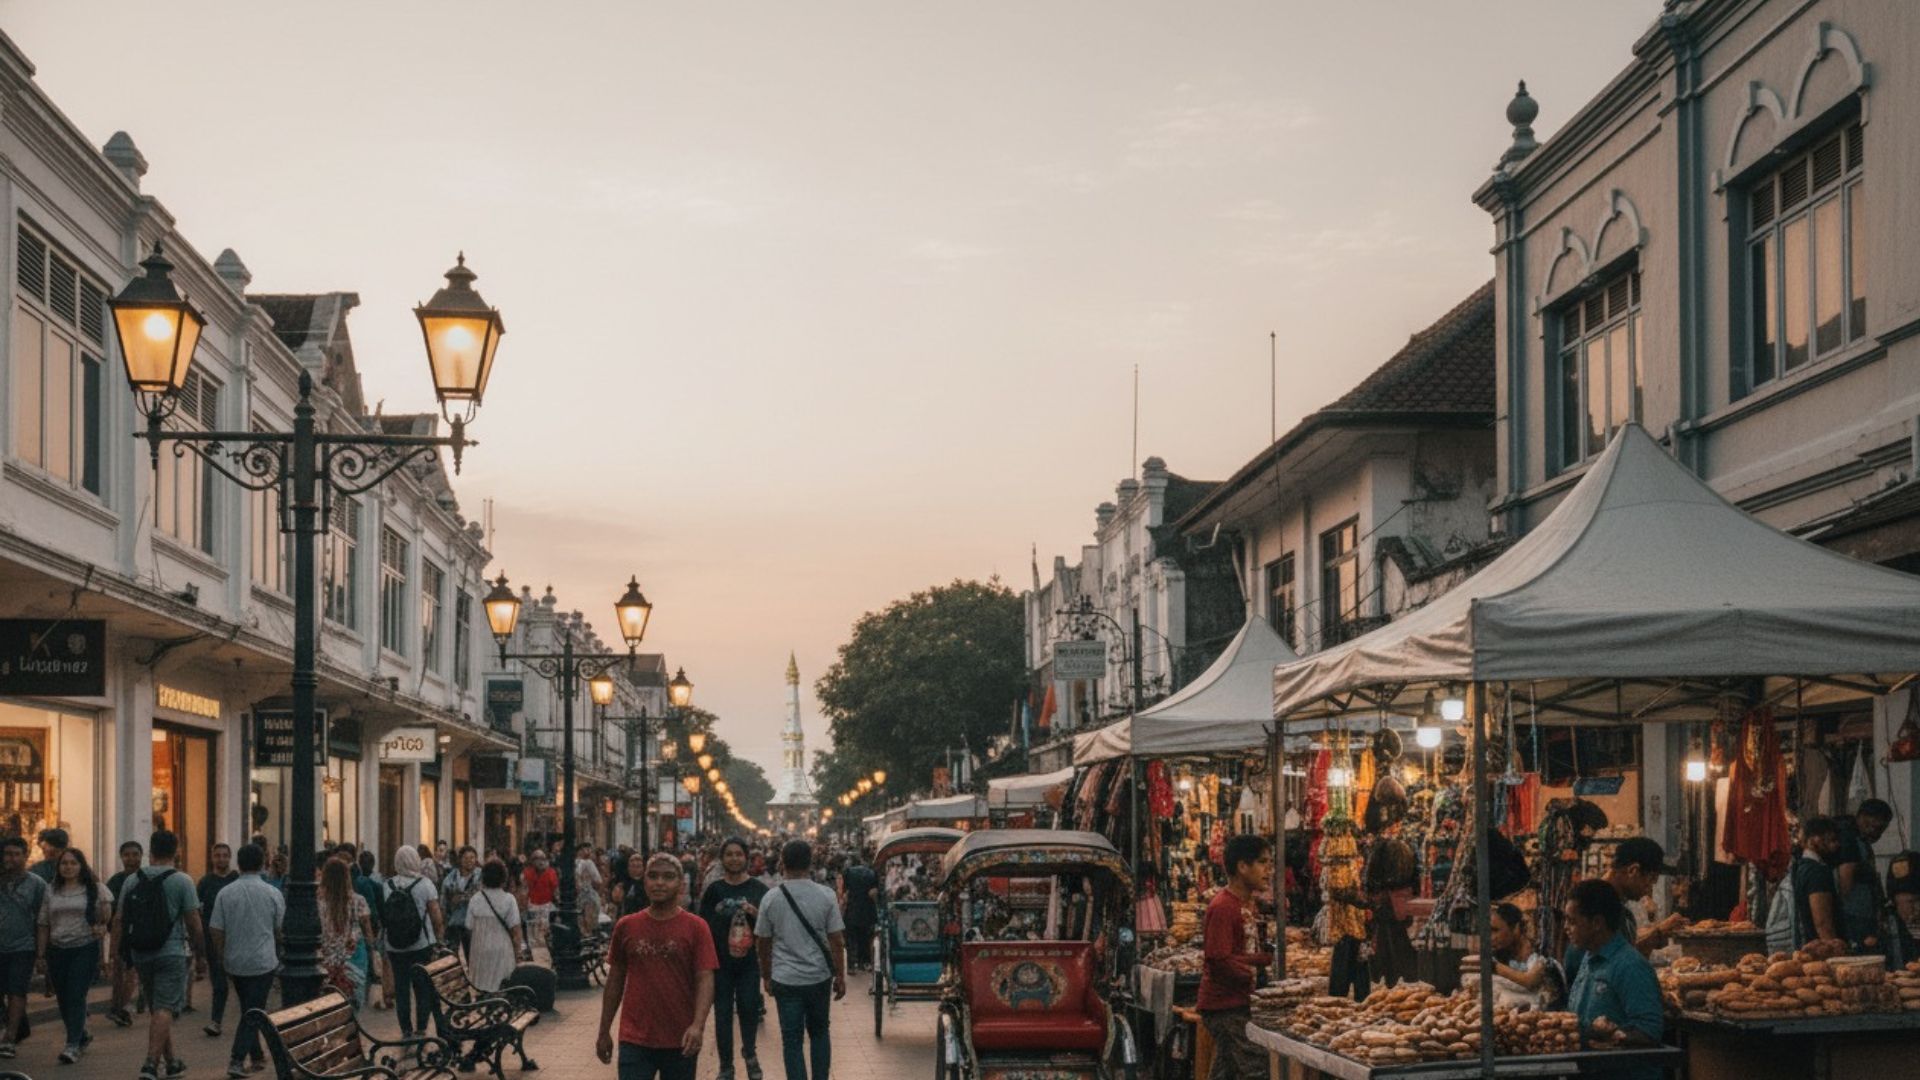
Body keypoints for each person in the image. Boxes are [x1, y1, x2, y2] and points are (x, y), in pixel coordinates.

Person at [595, 853, 717, 1080]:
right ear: (645, 881)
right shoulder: (627, 926)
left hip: (681, 1038)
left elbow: (705, 978)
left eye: (668, 877)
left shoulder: (696, 928)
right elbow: (615, 979)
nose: (659, 883)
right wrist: (604, 1030)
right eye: (653, 876)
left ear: (680, 884)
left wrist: (698, 1026)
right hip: (634, 1038)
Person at [113, 829, 209, 1080]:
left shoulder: (132, 880)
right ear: (176, 851)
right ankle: (150, 1065)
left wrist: (116, 953)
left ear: (151, 851)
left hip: (141, 952)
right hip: (171, 951)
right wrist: (201, 955)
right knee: (165, 1008)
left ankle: (173, 1062)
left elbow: (120, 919)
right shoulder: (182, 881)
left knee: (158, 1008)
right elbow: (194, 923)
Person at [754, 840, 845, 1080]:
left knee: (792, 1040)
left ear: (782, 863)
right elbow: (837, 940)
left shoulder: (771, 898)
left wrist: (766, 974)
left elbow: (762, 942)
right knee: (819, 1032)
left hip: (785, 979)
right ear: (811, 862)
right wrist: (841, 976)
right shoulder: (826, 895)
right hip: (819, 977)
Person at [1560, 879, 1662, 1080]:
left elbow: (1649, 1032)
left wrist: (1610, 1034)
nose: (1566, 927)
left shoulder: (1630, 966)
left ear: (1597, 923)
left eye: (1572, 921)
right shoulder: (1588, 957)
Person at [1197, 834, 1274, 1080]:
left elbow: (1237, 955)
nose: (1268, 870)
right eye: (1262, 863)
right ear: (1242, 866)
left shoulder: (1246, 904)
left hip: (1235, 1001)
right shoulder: (1223, 907)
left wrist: (1261, 961)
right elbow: (1220, 960)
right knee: (1256, 1067)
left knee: (1227, 1069)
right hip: (1226, 1006)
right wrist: (1253, 975)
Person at [208, 842, 284, 1079]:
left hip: (235, 961)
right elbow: (279, 929)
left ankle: (257, 1054)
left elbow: (216, 929)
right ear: (263, 864)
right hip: (263, 961)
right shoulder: (272, 893)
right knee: (253, 1011)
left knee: (248, 1008)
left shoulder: (225, 893)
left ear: (238, 864)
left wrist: (222, 956)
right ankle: (237, 1059)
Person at [698, 838, 768, 1080]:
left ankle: (750, 1053)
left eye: (739, 854)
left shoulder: (759, 889)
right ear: (722, 858)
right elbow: (702, 925)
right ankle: (726, 1065)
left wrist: (755, 913)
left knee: (749, 1009)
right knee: (723, 1014)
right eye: (729, 854)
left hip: (749, 963)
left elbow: (770, 927)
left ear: (746, 858)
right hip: (720, 963)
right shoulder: (714, 890)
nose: (734, 858)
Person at [36, 846, 109, 1063]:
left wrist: (101, 928)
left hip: (84, 948)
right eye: (64, 864)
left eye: (73, 863)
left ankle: (72, 1044)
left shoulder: (94, 889)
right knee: (63, 997)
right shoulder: (51, 890)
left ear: (81, 866)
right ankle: (81, 1034)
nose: (68, 867)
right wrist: (40, 954)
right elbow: (43, 923)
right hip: (57, 949)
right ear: (58, 867)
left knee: (76, 994)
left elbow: (105, 919)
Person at [382, 846, 444, 1039]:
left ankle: (406, 1030)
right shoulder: (425, 884)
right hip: (421, 944)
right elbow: (436, 916)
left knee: (401, 988)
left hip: (394, 945)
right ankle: (421, 1028)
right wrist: (439, 939)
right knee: (421, 987)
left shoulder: (387, 885)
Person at [0, 836, 48, 1058]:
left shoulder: (36, 884)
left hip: (23, 946)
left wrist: (41, 953)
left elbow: (42, 920)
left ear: (25, 856)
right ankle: (18, 1026)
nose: (11, 858)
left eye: (16, 854)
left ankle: (9, 1038)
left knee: (17, 990)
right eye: (8, 854)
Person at [1833, 798, 1893, 953]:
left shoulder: (1859, 839)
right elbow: (1845, 881)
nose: (1874, 832)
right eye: (1871, 825)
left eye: (1880, 829)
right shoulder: (1849, 839)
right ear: (1860, 817)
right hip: (1853, 918)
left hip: (1859, 914)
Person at [1480, 902, 1560, 1010]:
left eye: (1495, 930)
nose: (1491, 938)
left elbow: (1530, 981)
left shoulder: (1540, 953)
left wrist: (1494, 967)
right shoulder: (1503, 954)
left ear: (1516, 928)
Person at [196, 843, 239, 1038]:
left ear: (230, 858)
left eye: (224, 855)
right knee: (219, 982)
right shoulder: (205, 883)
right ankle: (216, 1020)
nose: (221, 859)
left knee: (241, 984)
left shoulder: (236, 880)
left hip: (237, 937)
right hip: (214, 939)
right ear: (212, 858)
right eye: (217, 855)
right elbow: (198, 912)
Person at [317, 857, 374, 1004]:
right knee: (352, 1004)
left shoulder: (317, 902)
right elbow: (368, 932)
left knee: (327, 1004)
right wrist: (372, 950)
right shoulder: (358, 901)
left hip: (325, 960)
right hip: (354, 960)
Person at [465, 861, 525, 992]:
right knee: (501, 987)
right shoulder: (509, 899)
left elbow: (469, 927)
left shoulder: (475, 899)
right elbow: (516, 931)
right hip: (502, 950)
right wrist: (518, 953)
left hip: (479, 950)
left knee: (482, 987)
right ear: (503, 878)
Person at [1790, 816, 1847, 952]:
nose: (1836, 845)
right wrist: (1835, 954)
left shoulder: (1801, 867)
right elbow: (1823, 923)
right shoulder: (1817, 872)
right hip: (1821, 951)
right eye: (1832, 840)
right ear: (1814, 839)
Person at [104, 840, 144, 1028]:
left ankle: (124, 1008)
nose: (131, 858)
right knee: (119, 971)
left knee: (132, 971)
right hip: (119, 933)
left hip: (140, 933)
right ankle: (117, 1006)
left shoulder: (146, 879)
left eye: (135, 854)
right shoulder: (115, 881)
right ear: (121, 857)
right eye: (127, 855)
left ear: (141, 856)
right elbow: (109, 910)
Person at [837, 854, 878, 974]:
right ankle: (864, 962)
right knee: (864, 938)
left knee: (850, 939)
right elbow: (873, 893)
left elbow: (845, 893)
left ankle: (851, 965)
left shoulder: (848, 872)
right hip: (867, 911)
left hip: (852, 910)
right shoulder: (871, 873)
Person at [441, 846, 480, 961]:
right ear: (460, 860)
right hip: (455, 923)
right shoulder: (450, 879)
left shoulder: (481, 876)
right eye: (466, 858)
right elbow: (443, 902)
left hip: (474, 924)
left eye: (472, 857)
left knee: (473, 958)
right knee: (452, 958)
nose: (469, 860)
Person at [521, 849, 558, 951]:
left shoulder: (551, 872)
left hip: (547, 907)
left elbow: (556, 891)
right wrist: (523, 907)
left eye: (543, 859)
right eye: (537, 859)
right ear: (532, 861)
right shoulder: (527, 873)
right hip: (532, 906)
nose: (541, 861)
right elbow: (524, 891)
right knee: (533, 936)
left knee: (545, 935)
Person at [612, 851, 650, 919]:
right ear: (628, 868)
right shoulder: (623, 883)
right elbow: (616, 900)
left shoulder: (647, 884)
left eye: (638, 866)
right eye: (632, 866)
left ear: (643, 868)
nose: (635, 869)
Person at [576, 844, 604, 932]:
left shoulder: (573, 862)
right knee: (590, 923)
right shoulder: (588, 863)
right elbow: (598, 880)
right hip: (588, 894)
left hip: (576, 897)